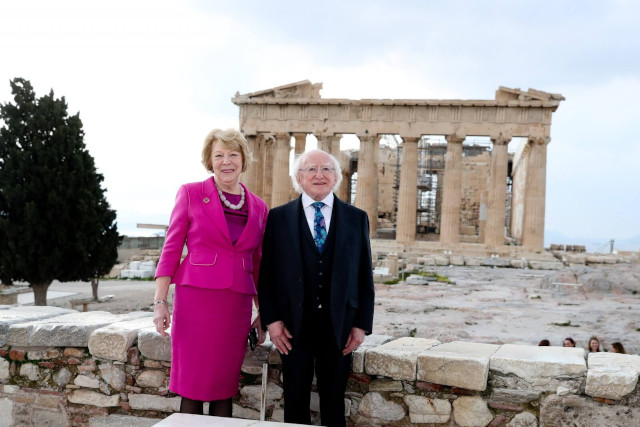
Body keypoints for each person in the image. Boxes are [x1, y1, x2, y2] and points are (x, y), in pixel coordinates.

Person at [153, 128, 268, 416]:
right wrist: (160, 302)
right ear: (210, 160)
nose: (226, 161)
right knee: (192, 384)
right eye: (219, 155)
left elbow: (259, 265)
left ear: (243, 159)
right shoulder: (191, 193)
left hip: (235, 307)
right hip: (195, 302)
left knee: (224, 385)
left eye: (233, 154)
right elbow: (171, 249)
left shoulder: (259, 206)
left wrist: (264, 313)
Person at [258, 149, 375, 426]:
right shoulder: (278, 217)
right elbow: (267, 275)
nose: (318, 175)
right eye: (311, 169)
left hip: (340, 326)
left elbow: (363, 275)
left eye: (326, 169)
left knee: (334, 401)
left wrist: (361, 325)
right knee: (294, 398)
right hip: (291, 326)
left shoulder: (356, 218)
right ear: (299, 177)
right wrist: (272, 321)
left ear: (336, 177)